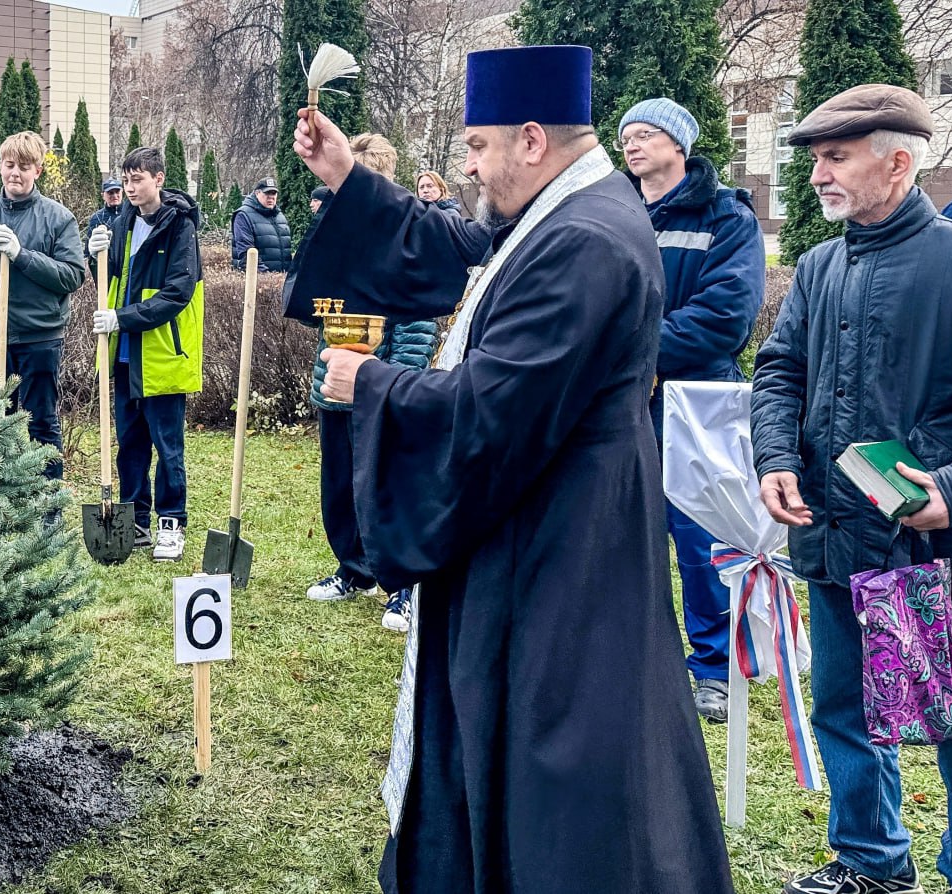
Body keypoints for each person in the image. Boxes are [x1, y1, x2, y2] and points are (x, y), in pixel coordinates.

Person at [288, 44, 732, 893]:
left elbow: (495, 411)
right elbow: (450, 244)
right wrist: (346, 171)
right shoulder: (567, 209)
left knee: (552, 768)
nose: (468, 167)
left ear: (533, 140)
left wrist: (368, 382)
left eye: (477, 147)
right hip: (553, 531)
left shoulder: (587, 240)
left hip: (559, 559)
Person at [751, 84, 952, 894]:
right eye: (817, 159)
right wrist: (773, 457)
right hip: (835, 534)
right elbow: (781, 370)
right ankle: (871, 863)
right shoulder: (821, 265)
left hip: (942, 552)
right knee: (844, 710)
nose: (819, 175)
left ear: (897, 162)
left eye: (836, 158)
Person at [618, 96, 766, 723]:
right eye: (626, 135)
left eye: (647, 134)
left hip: (693, 403)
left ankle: (714, 669)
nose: (633, 145)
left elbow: (726, 314)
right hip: (622, 399)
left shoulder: (725, 216)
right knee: (625, 534)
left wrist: (639, 353)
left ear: (680, 146)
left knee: (702, 541)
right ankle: (641, 660)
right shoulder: (615, 210)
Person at [300, 132, 437, 635]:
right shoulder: (341, 237)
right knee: (339, 486)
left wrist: (397, 380)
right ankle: (353, 569)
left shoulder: (407, 239)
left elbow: (419, 321)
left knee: (388, 487)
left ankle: (403, 589)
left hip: (382, 389)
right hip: (334, 387)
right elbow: (324, 312)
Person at [0, 131, 86, 491]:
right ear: (0, 166)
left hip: (39, 337)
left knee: (40, 419)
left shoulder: (58, 219)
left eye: (24, 167)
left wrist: (22, 256)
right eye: (9, 165)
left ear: (38, 171)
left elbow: (73, 275)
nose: (15, 173)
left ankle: (48, 498)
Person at [88, 147, 203, 561]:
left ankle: (172, 523)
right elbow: (112, 275)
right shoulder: (122, 222)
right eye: (126, 179)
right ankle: (135, 518)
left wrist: (122, 318)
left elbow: (177, 293)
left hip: (162, 354)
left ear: (159, 178)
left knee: (167, 445)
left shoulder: (179, 229)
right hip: (124, 357)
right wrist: (94, 253)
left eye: (138, 179)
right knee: (129, 442)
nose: (131, 187)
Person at [231, 177, 291, 272]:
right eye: (267, 193)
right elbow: (246, 252)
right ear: (257, 193)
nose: (271, 197)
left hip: (282, 280)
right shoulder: (243, 215)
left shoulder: (280, 216)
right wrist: (266, 277)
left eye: (274, 193)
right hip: (259, 280)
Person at [85, 177, 125, 274]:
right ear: (103, 195)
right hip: (106, 266)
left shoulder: (130, 213)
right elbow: (88, 249)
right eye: (110, 193)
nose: (115, 195)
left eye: (117, 192)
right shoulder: (97, 218)